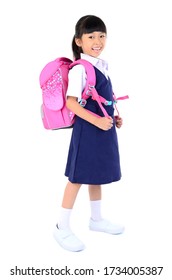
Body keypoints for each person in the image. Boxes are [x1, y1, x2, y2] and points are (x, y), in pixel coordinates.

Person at [54, 15, 125, 252]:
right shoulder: (80, 69)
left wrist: (112, 117)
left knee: (97, 174)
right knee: (77, 177)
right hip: (87, 129)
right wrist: (96, 119)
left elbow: (97, 99)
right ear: (78, 41)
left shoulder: (100, 65)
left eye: (102, 35)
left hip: (102, 128)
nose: (98, 41)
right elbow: (72, 103)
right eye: (91, 36)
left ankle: (96, 220)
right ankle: (61, 227)